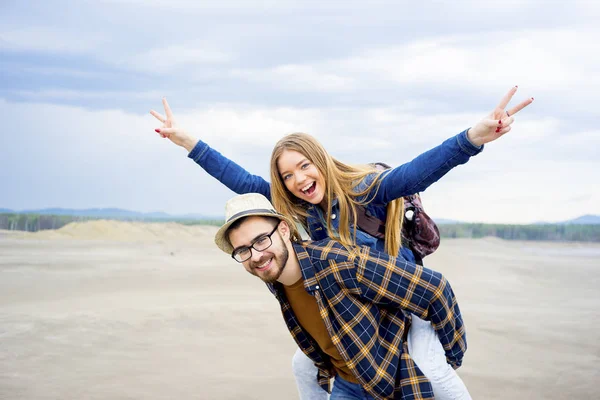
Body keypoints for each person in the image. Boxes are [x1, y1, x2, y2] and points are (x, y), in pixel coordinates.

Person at [149, 87, 533, 399]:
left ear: (321, 161)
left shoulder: (365, 190)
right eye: (287, 175)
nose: (298, 179)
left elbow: (415, 172)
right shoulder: (301, 208)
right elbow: (242, 182)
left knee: (431, 365)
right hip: (369, 312)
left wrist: (472, 139)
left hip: (405, 298)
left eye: (304, 166)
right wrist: (188, 142)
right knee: (303, 364)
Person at [214, 193, 466, 399]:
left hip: (394, 383)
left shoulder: (338, 262)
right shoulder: (273, 276)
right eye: (243, 250)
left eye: (261, 240)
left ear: (283, 229)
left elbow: (434, 287)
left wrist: (451, 358)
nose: (256, 255)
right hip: (347, 386)